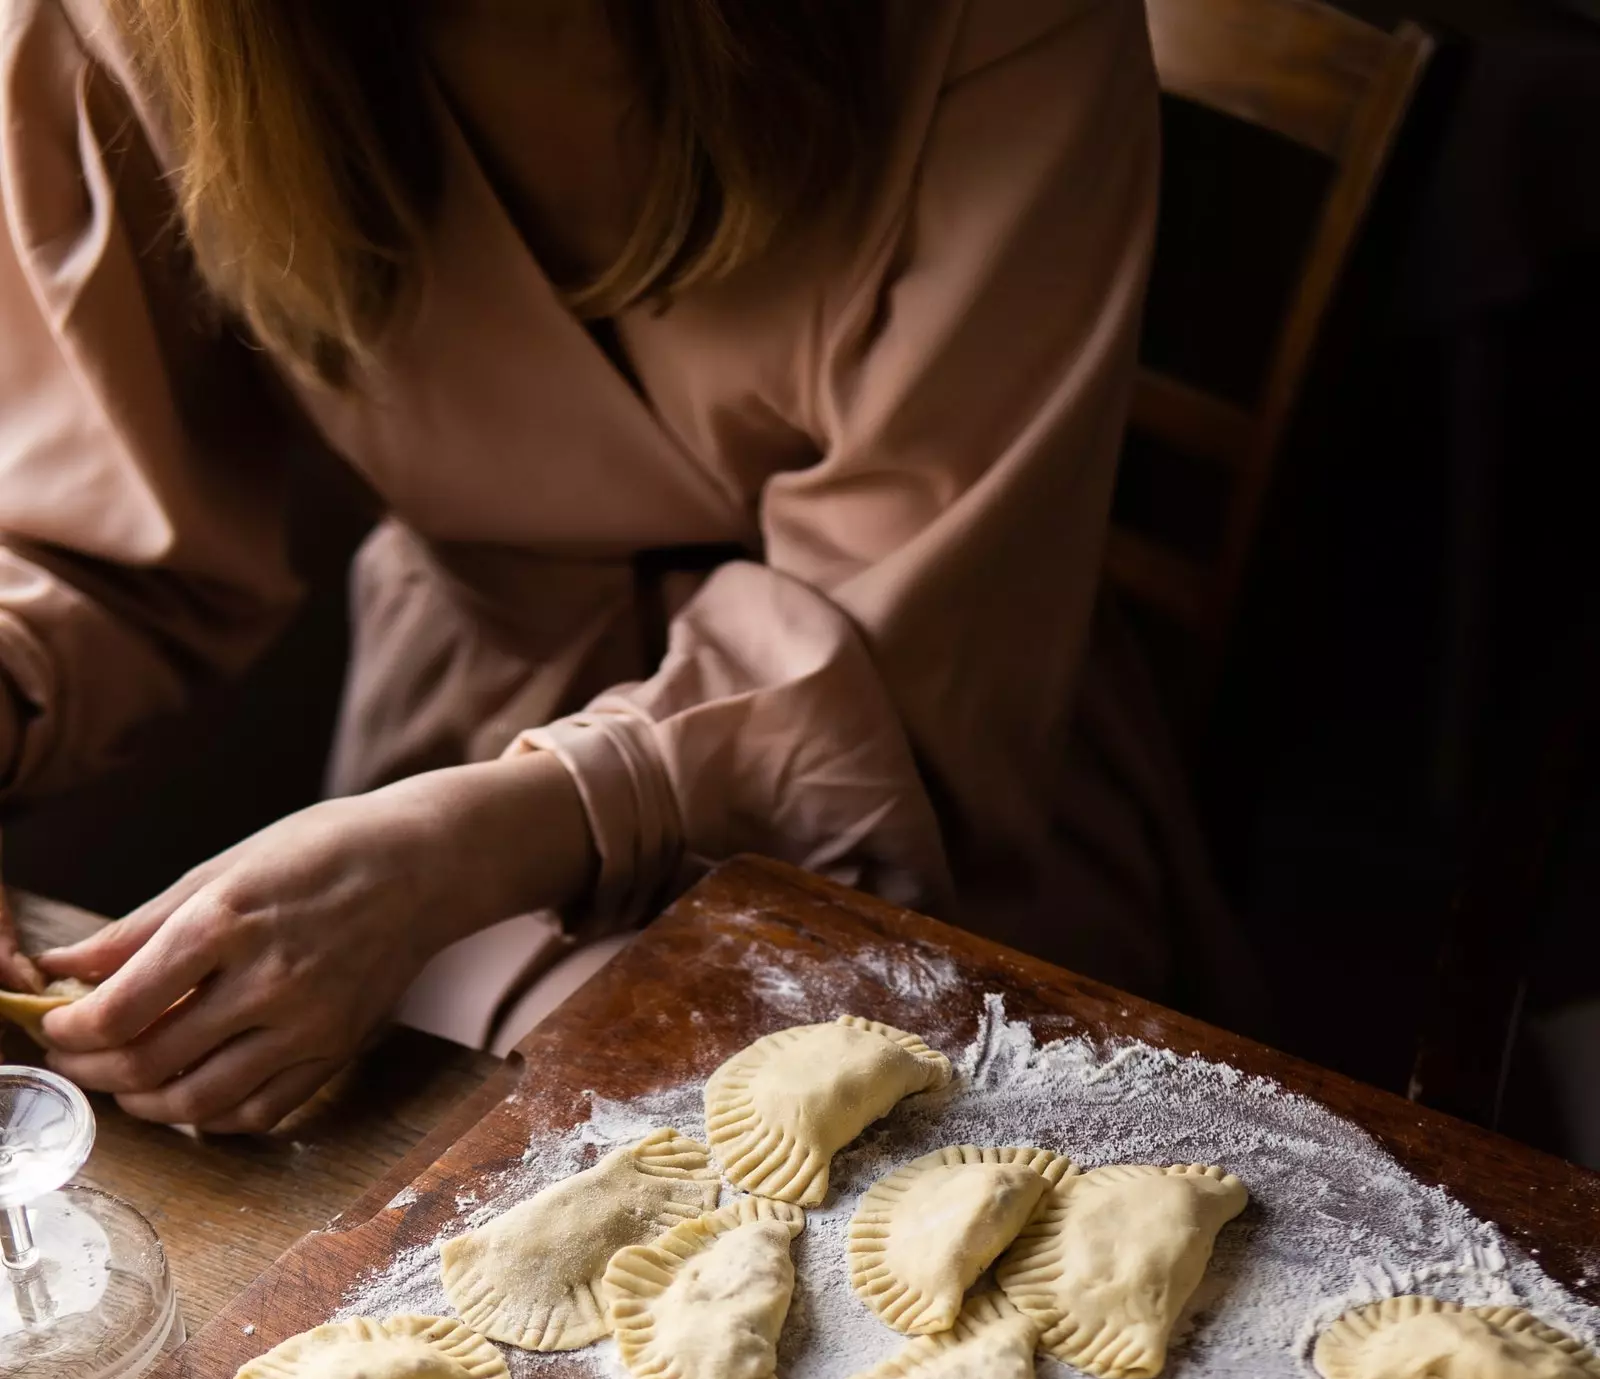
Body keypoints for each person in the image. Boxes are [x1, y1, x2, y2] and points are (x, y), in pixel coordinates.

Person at [0, 0, 1239, 1133]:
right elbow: (90, 532)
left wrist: (457, 850)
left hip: (932, 788)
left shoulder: (984, 24)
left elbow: (923, 660)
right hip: (439, 761)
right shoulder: (118, 23)